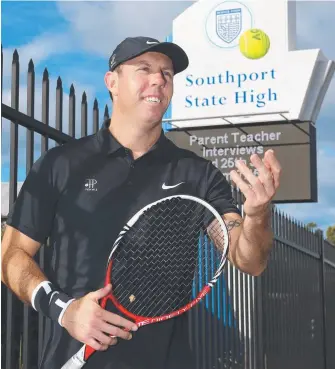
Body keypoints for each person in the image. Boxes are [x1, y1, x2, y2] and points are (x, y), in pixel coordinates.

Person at [1, 36, 282, 369]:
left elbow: (248, 259)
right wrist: (64, 310)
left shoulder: (197, 174)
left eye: (167, 73)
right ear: (112, 82)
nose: (159, 79)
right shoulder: (60, 164)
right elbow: (11, 256)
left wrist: (258, 214)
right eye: (144, 69)